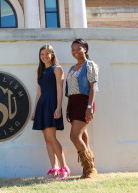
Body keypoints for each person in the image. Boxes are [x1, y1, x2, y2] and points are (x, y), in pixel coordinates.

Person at [31, 45, 70, 179]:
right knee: (47, 138)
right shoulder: (40, 71)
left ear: (52, 54)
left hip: (52, 104)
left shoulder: (57, 69)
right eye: (42, 54)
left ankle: (64, 167)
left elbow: (60, 90)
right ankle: (54, 168)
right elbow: (38, 93)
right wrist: (35, 111)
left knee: (52, 137)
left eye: (47, 53)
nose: (44, 56)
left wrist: (58, 107)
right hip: (42, 105)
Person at [65, 38, 99, 179]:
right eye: (73, 49)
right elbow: (70, 90)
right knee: (83, 137)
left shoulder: (90, 65)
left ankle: (90, 168)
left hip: (84, 102)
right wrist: (68, 108)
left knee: (74, 136)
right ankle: (86, 170)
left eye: (78, 48)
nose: (75, 52)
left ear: (85, 49)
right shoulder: (72, 68)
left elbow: (93, 87)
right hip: (73, 103)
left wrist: (89, 107)